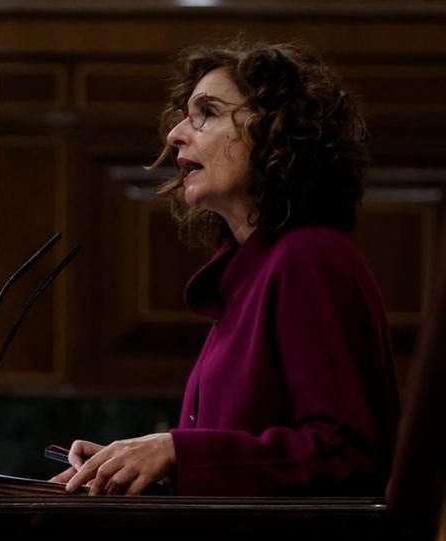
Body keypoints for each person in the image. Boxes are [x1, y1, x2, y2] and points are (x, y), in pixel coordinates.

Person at [52, 40, 400, 496]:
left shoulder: (311, 258)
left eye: (207, 112)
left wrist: (178, 452)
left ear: (275, 130)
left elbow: (349, 454)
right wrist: (142, 467)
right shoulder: (247, 274)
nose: (176, 134)